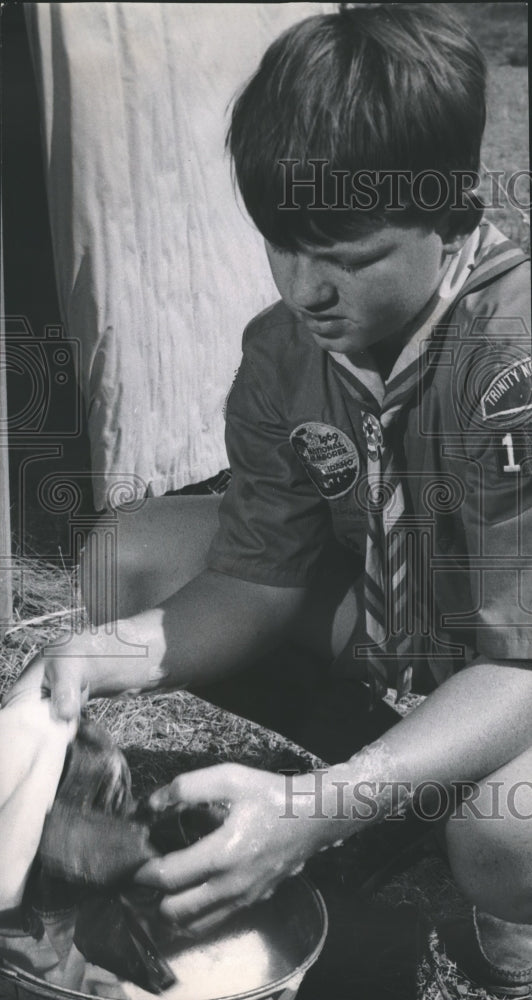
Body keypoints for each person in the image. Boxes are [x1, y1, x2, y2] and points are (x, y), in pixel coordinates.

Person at [6, 4, 532, 994]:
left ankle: (504, 912)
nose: (306, 289)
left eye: (350, 258)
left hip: (517, 658)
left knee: (509, 833)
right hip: (425, 618)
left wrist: (321, 808)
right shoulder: (287, 350)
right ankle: (409, 784)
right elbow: (252, 582)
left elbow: (523, 662)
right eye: (283, 246)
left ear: (452, 212)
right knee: (130, 560)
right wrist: (87, 659)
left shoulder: (512, 364)